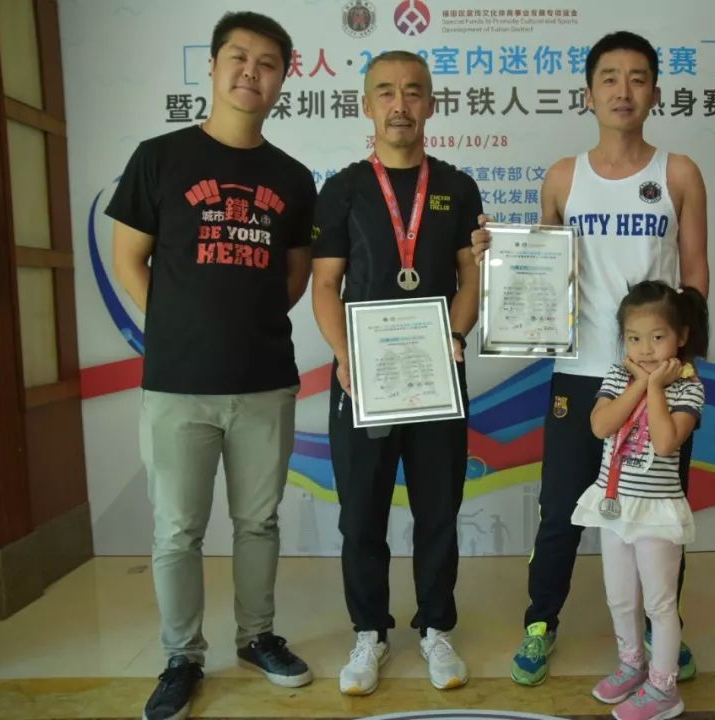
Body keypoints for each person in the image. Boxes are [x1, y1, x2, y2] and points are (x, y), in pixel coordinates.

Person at [472, 30, 709, 686]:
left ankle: (664, 630)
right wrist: (496, 259)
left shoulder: (679, 174)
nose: (623, 90)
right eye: (609, 78)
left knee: (659, 508)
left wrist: (679, 363)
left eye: (637, 78)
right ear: (588, 94)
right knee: (560, 508)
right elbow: (541, 273)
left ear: (655, 93)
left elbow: (695, 272)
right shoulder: (563, 177)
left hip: (658, 378)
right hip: (580, 374)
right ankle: (540, 622)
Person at [108, 11, 316, 720]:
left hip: (263, 380)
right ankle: (181, 657)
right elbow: (127, 258)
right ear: (213, 65)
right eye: (238, 57)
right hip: (178, 384)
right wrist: (177, 327)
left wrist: (241, 324)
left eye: (267, 63)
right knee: (177, 529)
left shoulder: (292, 177)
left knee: (258, 522)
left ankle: (257, 637)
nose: (250, 72)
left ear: (283, 79)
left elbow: (294, 276)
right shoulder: (159, 157)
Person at [310, 50, 482, 696]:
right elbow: (325, 286)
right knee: (361, 515)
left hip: (439, 374)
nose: (399, 104)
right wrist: (344, 355)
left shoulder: (457, 186)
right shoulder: (343, 189)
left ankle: (436, 627)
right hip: (363, 380)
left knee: (439, 510)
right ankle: (369, 633)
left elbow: (471, 277)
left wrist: (455, 336)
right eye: (385, 91)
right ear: (366, 105)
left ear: (431, 104)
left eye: (413, 92)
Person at [574, 281, 707, 720]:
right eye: (634, 338)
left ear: (681, 336)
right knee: (620, 598)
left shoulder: (688, 388)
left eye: (657, 337)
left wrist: (654, 388)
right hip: (614, 506)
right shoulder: (617, 377)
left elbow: (667, 442)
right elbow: (600, 426)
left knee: (659, 604)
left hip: (656, 513)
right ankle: (632, 666)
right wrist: (640, 382)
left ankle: (663, 689)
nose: (645, 349)